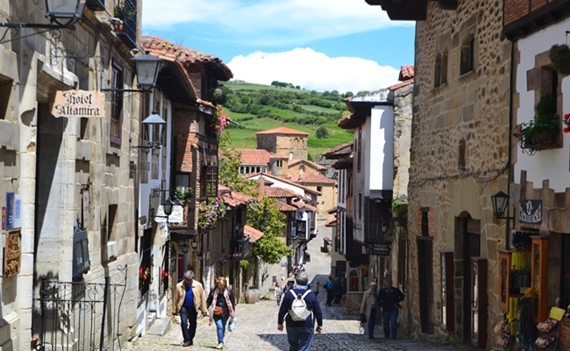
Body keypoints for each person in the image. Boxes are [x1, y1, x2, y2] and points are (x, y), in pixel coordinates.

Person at [277, 271, 323, 351]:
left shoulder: (289, 294)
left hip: (291, 324)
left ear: (296, 281)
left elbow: (282, 310)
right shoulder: (311, 295)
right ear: (306, 282)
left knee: (293, 346)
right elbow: (318, 312)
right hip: (307, 324)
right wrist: (320, 325)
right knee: (304, 347)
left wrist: (280, 323)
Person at [174, 270, 208, 347]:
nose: (188, 281)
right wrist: (174, 310)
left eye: (189, 279)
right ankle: (187, 339)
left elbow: (202, 297)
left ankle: (190, 338)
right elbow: (175, 298)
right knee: (183, 323)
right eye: (186, 279)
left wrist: (204, 310)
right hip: (183, 307)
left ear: (193, 277)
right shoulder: (179, 286)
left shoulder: (198, 285)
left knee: (193, 324)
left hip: (193, 307)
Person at [207, 277, 236, 349]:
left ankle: (221, 341)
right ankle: (221, 342)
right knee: (219, 326)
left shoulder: (229, 291)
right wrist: (207, 308)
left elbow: (232, 302)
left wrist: (232, 313)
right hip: (216, 312)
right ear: (218, 284)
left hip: (225, 312)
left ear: (225, 285)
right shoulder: (213, 291)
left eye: (222, 285)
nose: (221, 287)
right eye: (220, 285)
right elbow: (209, 300)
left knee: (222, 327)